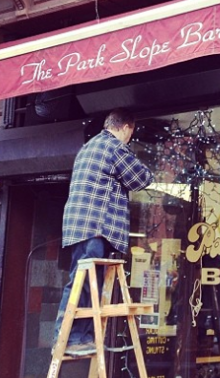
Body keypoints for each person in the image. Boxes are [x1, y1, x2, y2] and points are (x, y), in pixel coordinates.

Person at [53, 108, 153, 356]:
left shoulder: (87, 148)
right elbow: (141, 178)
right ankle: (71, 339)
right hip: (98, 226)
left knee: (81, 281)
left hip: (79, 226)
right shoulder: (114, 147)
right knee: (88, 282)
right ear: (127, 128)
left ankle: (74, 338)